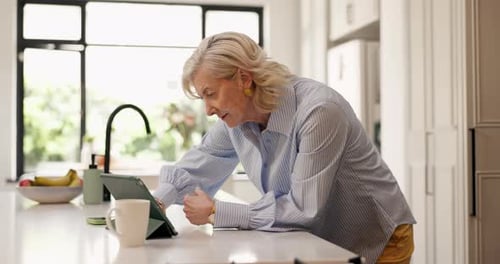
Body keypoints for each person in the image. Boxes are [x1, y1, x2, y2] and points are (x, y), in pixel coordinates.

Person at [153, 31, 416, 264]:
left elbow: (303, 209)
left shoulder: (318, 112)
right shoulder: (235, 120)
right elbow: (204, 159)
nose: (208, 109)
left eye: (211, 94)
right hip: (322, 237)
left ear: (244, 79)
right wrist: (158, 201)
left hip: (375, 237)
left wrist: (216, 211)